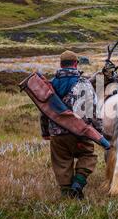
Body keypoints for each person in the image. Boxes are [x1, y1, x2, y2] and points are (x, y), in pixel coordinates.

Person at [41, 51, 102, 199]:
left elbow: (43, 111)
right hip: (80, 133)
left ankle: (67, 194)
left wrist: (46, 132)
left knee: (62, 162)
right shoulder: (84, 83)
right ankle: (78, 184)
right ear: (75, 64)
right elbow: (93, 110)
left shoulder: (50, 84)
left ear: (61, 64)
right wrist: (100, 131)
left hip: (57, 134)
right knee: (88, 155)